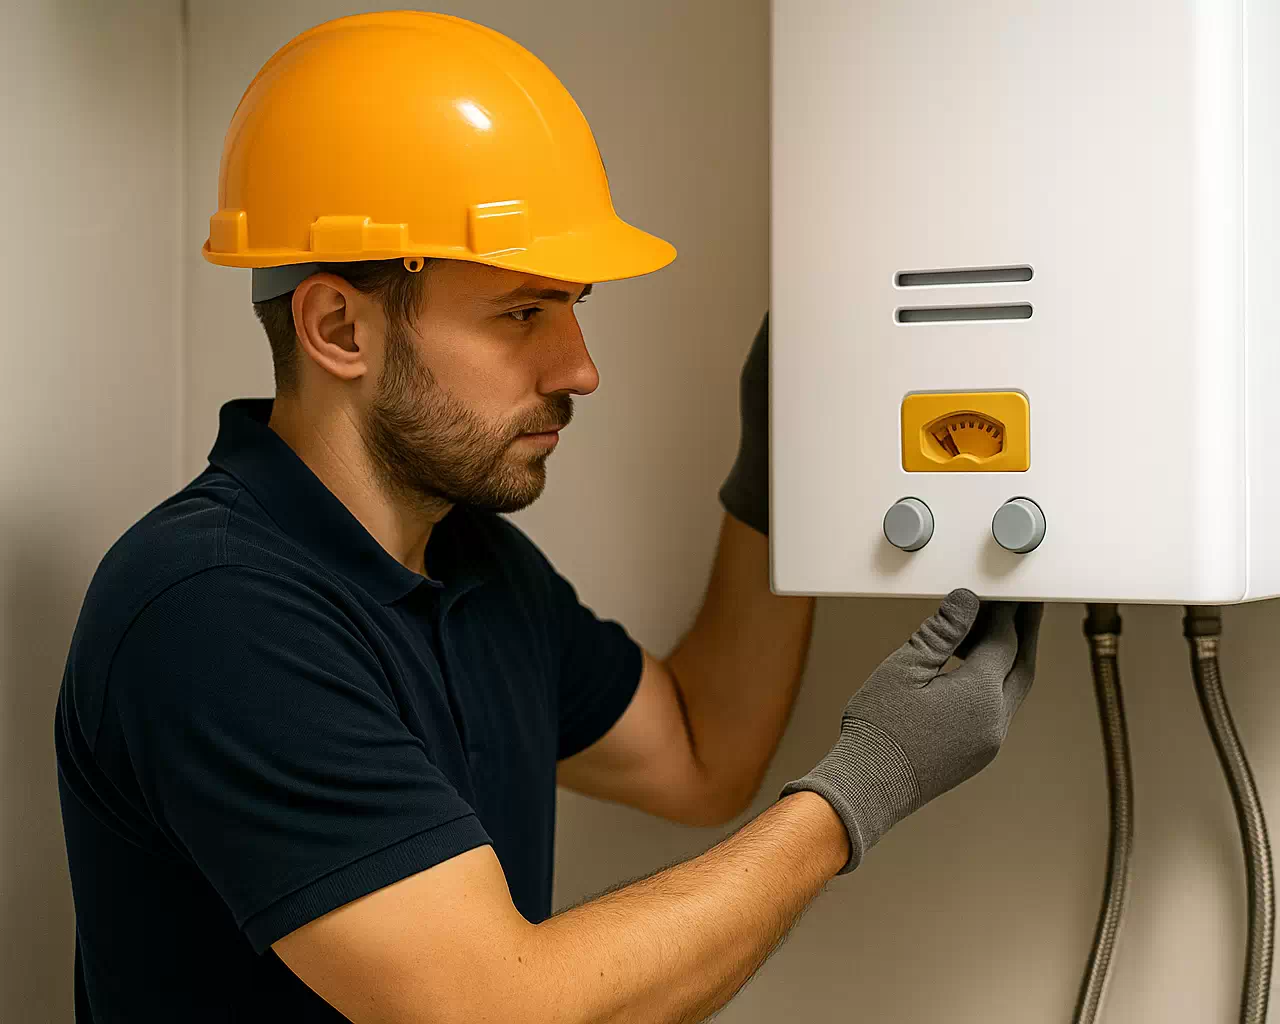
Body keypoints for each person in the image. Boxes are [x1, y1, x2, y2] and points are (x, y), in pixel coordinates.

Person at [54, 12, 1043, 1022]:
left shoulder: (474, 567)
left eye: (573, 305)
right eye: (523, 312)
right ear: (339, 327)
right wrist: (871, 778)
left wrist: (774, 462)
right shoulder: (213, 612)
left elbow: (702, 751)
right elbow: (493, 1007)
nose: (580, 368)